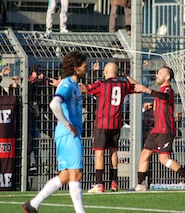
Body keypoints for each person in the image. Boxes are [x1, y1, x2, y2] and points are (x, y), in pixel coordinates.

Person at [23, 51, 87, 213]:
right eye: (84, 66)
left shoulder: (73, 85)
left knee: (65, 176)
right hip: (69, 134)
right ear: (75, 68)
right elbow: (54, 104)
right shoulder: (67, 84)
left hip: (67, 134)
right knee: (76, 173)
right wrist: (67, 124)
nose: (86, 68)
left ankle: (33, 204)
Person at [130, 66, 185, 193]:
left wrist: (147, 90)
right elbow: (161, 103)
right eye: (157, 73)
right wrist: (151, 105)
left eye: (160, 73)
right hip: (156, 130)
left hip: (165, 130)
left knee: (164, 159)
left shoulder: (168, 90)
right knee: (144, 154)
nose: (157, 75)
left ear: (167, 77)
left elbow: (165, 97)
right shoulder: (160, 91)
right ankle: (140, 185)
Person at [79, 62, 137, 193]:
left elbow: (85, 88)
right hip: (116, 123)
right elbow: (137, 86)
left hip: (102, 123)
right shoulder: (123, 84)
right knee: (113, 151)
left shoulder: (101, 84)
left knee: (99, 152)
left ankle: (99, 184)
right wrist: (126, 76)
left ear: (105, 72)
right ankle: (114, 182)